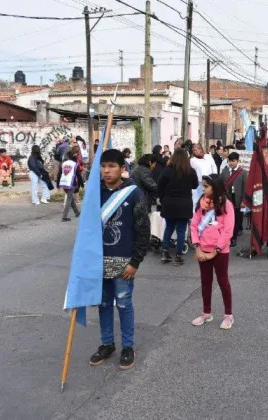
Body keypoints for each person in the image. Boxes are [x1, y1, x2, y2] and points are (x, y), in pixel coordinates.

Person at [89, 149, 150, 370]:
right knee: (103, 304)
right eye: (103, 166)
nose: (106, 170)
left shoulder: (134, 194)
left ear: (122, 168)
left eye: (112, 166)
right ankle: (107, 343)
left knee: (123, 305)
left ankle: (128, 346)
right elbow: (86, 229)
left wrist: (135, 262)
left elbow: (144, 231)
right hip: (98, 262)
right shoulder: (95, 193)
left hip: (124, 262)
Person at [190, 175, 235, 329]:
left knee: (223, 282)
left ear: (215, 187)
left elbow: (228, 230)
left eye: (206, 186)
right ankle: (206, 313)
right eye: (203, 186)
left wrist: (215, 251)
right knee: (205, 282)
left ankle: (228, 315)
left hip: (220, 251)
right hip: (203, 249)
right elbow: (194, 226)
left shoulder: (226, 204)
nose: (203, 189)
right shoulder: (200, 203)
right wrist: (197, 247)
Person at [158, 148, 199, 266]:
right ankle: (178, 256)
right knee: (181, 231)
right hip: (184, 204)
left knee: (169, 228)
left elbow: (160, 187)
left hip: (169, 203)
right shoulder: (190, 171)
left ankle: (165, 253)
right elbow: (195, 185)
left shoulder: (167, 170)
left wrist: (162, 199)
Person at [220, 152, 247, 248]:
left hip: (238, 199)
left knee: (236, 219)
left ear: (238, 161)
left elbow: (245, 188)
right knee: (226, 219)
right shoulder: (224, 171)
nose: (231, 163)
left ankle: (234, 237)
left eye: (233, 161)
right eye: (229, 161)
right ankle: (227, 236)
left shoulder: (243, 172)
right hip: (227, 198)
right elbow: (221, 185)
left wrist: (244, 200)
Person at [58, 150, 81, 222]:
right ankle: (64, 217)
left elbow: (59, 173)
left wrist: (58, 184)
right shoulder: (75, 164)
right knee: (69, 199)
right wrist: (80, 184)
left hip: (63, 183)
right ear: (75, 157)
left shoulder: (64, 163)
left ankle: (77, 212)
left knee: (70, 198)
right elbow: (78, 175)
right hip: (71, 183)